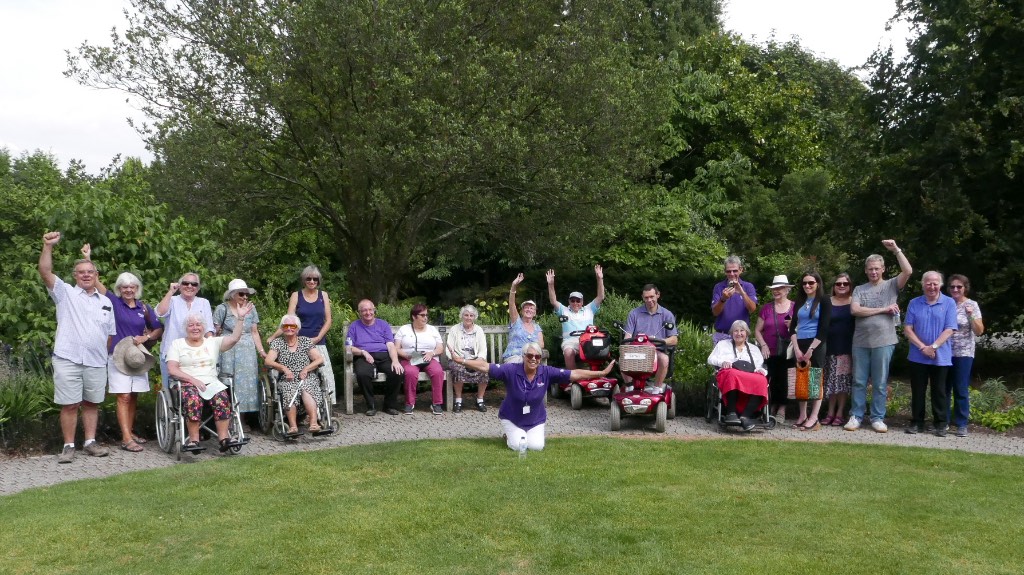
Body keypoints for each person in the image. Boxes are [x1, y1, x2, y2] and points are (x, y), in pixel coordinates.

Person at [450, 341, 615, 451]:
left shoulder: (547, 372)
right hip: (512, 417)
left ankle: (524, 434)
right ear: (523, 357)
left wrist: (600, 372)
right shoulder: (510, 370)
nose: (533, 359)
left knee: (536, 447)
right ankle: (509, 434)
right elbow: (485, 366)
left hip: (535, 419)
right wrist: (462, 361)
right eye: (529, 356)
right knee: (518, 446)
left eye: (537, 356)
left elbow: (575, 374)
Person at [38, 232, 117, 463]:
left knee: (92, 403)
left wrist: (101, 354)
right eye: (81, 272)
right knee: (70, 404)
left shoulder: (106, 302)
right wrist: (48, 246)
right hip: (68, 359)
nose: (86, 275)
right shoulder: (65, 293)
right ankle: (69, 446)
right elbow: (44, 271)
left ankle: (90, 442)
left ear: (96, 275)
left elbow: (109, 335)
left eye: (90, 272)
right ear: (75, 276)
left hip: (95, 361)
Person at [844, 239, 913, 433]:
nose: (873, 272)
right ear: (866, 271)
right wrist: (884, 309)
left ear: (883, 269)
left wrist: (897, 250)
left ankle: (877, 418)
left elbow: (908, 271)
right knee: (858, 380)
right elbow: (855, 310)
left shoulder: (891, 285)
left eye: (877, 268)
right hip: (860, 342)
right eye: (870, 269)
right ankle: (856, 416)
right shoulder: (859, 289)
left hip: (884, 341)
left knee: (880, 382)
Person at [166, 307, 253, 452]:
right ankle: (194, 440)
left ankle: (224, 439)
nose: (195, 328)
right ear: (185, 328)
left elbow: (234, 338)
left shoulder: (212, 342)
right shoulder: (177, 344)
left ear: (203, 327)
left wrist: (240, 318)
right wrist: (193, 380)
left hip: (211, 383)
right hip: (186, 383)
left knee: (222, 398)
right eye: (191, 325)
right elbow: (172, 369)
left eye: (198, 325)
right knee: (193, 399)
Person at [99, 270, 163, 452]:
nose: (128, 290)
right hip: (117, 355)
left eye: (132, 286)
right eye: (124, 287)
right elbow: (97, 283)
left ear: (137, 288)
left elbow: (158, 329)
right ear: (119, 289)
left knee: (134, 395)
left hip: (136, 357)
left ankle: (130, 431)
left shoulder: (143, 308)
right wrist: (88, 258)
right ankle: (126, 438)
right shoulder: (114, 302)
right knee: (124, 396)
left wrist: (146, 337)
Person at [269, 265, 336, 404]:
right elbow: (289, 320)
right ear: (304, 280)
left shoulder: (323, 295)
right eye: (309, 279)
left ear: (319, 280)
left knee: (325, 375)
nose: (312, 281)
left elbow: (328, 320)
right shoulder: (296, 295)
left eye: (315, 279)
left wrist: (318, 337)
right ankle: (302, 406)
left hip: (318, 340)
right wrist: (274, 336)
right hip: (298, 342)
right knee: (301, 376)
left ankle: (327, 407)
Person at [903, 271, 958, 437]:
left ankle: (941, 424)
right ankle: (917, 422)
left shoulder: (949, 303)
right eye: (928, 283)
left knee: (939, 390)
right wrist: (922, 347)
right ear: (923, 285)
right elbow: (907, 328)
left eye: (935, 283)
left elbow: (950, 329)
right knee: (917, 390)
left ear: (940, 285)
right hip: (917, 355)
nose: (932, 287)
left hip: (940, 356)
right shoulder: (914, 303)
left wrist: (933, 347)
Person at [213, 279, 266, 420]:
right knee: (228, 380)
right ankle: (226, 417)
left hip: (247, 350)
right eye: (242, 294)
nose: (245, 297)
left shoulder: (251, 308)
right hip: (228, 349)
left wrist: (261, 351)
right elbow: (215, 332)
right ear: (232, 295)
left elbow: (254, 332)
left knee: (246, 383)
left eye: (246, 294)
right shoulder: (222, 309)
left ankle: (242, 418)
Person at [264, 314, 325, 434]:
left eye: (292, 326)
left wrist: (306, 369)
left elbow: (319, 359)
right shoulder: (277, 343)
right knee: (288, 389)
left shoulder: (305, 341)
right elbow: (268, 361)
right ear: (282, 328)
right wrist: (283, 368)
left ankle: (313, 423)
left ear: (297, 328)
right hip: (288, 378)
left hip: (306, 376)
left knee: (306, 387)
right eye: (285, 326)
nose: (289, 328)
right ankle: (293, 426)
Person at [788, 272, 832, 431]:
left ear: (818, 283)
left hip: (817, 344)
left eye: (811, 283)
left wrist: (811, 349)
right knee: (801, 379)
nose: (807, 286)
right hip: (800, 343)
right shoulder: (800, 301)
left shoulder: (824, 300)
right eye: (804, 283)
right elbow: (792, 327)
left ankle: (814, 418)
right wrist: (797, 348)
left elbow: (824, 328)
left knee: (815, 380)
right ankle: (802, 415)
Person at [707, 320, 769, 432]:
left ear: (747, 333)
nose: (739, 333)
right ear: (731, 333)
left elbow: (759, 365)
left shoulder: (754, 349)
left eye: (742, 331)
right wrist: (723, 362)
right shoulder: (722, 344)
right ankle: (731, 413)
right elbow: (710, 359)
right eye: (736, 331)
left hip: (748, 373)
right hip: (729, 372)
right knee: (732, 374)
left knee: (762, 380)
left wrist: (761, 370)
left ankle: (745, 416)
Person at [346, 299, 404, 416]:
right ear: (359, 313)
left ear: (374, 310)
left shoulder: (383, 324)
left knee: (397, 372)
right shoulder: (354, 326)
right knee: (362, 374)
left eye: (370, 310)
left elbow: (390, 344)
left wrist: (395, 361)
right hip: (364, 356)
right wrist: (363, 352)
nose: (368, 313)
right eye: (364, 310)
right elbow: (349, 347)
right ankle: (371, 405)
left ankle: (389, 405)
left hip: (383, 355)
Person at [156, 272, 214, 387]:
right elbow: (159, 313)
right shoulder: (172, 300)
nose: (189, 286)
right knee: (170, 389)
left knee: (196, 387)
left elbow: (208, 329)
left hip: (196, 354)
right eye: (185, 283)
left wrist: (212, 348)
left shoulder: (204, 302)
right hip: (172, 353)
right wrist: (170, 292)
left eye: (194, 284)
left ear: (198, 288)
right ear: (179, 285)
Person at [945, 274, 984, 437]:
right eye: (952, 287)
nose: (955, 289)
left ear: (965, 288)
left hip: (964, 353)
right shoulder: (945, 303)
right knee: (944, 388)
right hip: (944, 352)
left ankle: (961, 424)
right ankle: (943, 422)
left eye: (959, 287)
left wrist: (970, 315)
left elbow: (979, 331)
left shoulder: (972, 305)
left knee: (960, 389)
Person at [546, 265, 605, 369]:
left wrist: (599, 279)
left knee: (601, 346)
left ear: (582, 302)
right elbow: (553, 301)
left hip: (587, 341)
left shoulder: (589, 309)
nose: (575, 303)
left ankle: (596, 376)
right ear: (569, 301)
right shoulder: (563, 310)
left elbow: (600, 297)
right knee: (568, 352)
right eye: (572, 300)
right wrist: (550, 284)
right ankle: (573, 378)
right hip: (570, 342)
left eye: (578, 300)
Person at [754, 275, 795, 422]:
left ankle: (782, 409)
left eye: (780, 288)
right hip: (769, 350)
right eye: (775, 289)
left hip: (788, 350)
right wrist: (763, 344)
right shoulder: (766, 308)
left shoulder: (795, 307)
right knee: (771, 379)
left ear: (787, 290)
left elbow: (802, 329)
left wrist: (793, 326)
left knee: (785, 379)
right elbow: (757, 330)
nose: (777, 291)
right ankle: (771, 407)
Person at [624, 284, 679, 392]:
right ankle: (630, 387)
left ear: (658, 295)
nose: (649, 300)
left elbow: (674, 339)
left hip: (656, 350)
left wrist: (658, 340)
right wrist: (627, 345)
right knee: (623, 357)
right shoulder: (634, 314)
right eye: (646, 297)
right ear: (642, 297)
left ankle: (656, 388)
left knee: (664, 359)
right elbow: (628, 335)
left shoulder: (667, 315)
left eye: (651, 297)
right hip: (638, 349)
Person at [395, 304, 445, 415]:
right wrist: (406, 355)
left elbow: (440, 348)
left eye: (426, 315)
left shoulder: (432, 329)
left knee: (437, 372)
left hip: (429, 358)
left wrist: (432, 353)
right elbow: (396, 348)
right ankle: (409, 403)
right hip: (410, 358)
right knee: (410, 372)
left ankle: (437, 403)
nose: (425, 318)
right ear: (414, 316)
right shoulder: (404, 329)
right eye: (422, 315)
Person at [821, 273, 855, 426]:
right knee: (830, 381)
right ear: (833, 286)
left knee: (842, 382)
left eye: (845, 284)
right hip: (829, 347)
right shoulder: (827, 301)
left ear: (850, 286)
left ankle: (840, 413)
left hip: (846, 347)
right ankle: (829, 412)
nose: (841, 286)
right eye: (838, 283)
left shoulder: (854, 302)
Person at [446, 304, 489, 413]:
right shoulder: (455, 329)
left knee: (484, 370)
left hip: (474, 359)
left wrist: (480, 359)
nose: (468, 318)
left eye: (471, 315)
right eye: (466, 315)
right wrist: (454, 356)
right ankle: (458, 400)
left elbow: (483, 349)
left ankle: (480, 400)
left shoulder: (478, 330)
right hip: (458, 359)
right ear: (462, 316)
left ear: (474, 317)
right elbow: (449, 346)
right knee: (457, 369)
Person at [710, 255, 758, 344]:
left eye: (735, 270)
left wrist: (742, 293)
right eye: (728, 271)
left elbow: (752, 309)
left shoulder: (748, 286)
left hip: (741, 335)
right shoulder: (719, 287)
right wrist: (723, 299)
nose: (732, 274)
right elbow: (715, 312)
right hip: (722, 335)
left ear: (741, 270)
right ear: (725, 271)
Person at [502, 273, 544, 363]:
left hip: (530, 357)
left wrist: (529, 350)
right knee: (523, 363)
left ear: (535, 313)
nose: (529, 309)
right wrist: (513, 286)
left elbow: (541, 344)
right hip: (514, 357)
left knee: (533, 363)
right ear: (522, 311)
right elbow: (512, 303)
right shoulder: (516, 321)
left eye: (531, 308)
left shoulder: (537, 328)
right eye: (526, 307)